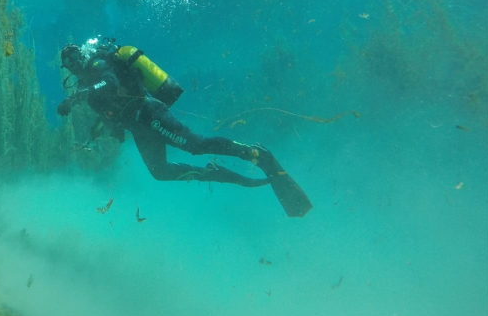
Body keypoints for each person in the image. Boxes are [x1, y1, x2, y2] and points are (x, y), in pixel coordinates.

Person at [57, 38, 313, 217]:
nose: (76, 65)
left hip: (150, 114)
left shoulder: (99, 66)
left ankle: (255, 154)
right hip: (141, 129)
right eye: (70, 64)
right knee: (159, 171)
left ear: (84, 54)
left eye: (77, 58)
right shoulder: (87, 91)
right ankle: (214, 173)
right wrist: (100, 131)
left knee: (196, 145)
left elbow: (111, 84)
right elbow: (110, 114)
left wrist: (80, 95)